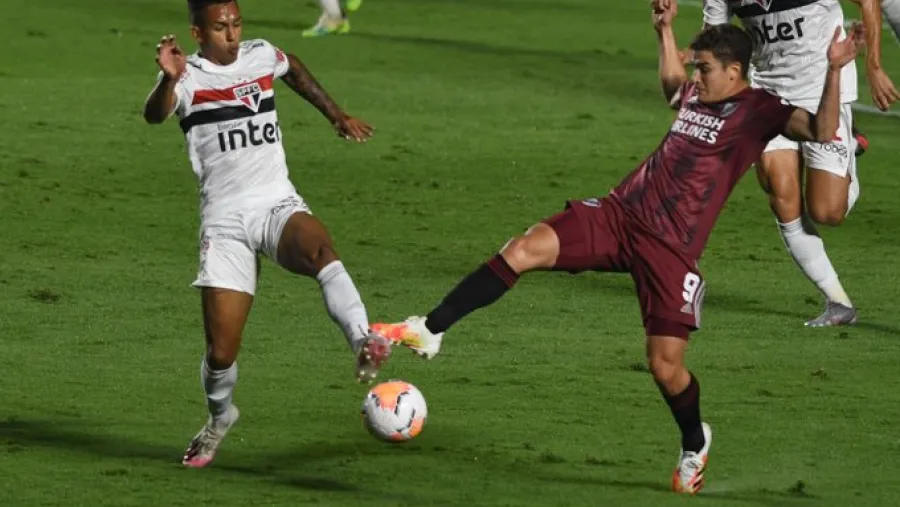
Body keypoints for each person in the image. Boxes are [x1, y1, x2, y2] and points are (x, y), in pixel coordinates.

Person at [374, 0, 861, 494]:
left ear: (735, 72)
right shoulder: (696, 93)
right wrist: (665, 31)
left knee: (664, 367)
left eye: (706, 68)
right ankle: (430, 329)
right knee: (522, 249)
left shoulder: (760, 110)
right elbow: (673, 86)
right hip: (618, 214)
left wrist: (836, 70)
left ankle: (694, 441)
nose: (697, 75)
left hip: (670, 249)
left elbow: (821, 130)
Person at [142, 0, 391, 468]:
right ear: (198, 32)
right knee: (220, 353)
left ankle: (363, 339)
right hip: (225, 220)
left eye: (236, 24)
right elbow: (155, 115)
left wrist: (335, 115)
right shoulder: (188, 77)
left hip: (275, 200)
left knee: (320, 248)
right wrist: (169, 79)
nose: (232, 35)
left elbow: (292, 67)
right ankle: (220, 418)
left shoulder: (259, 54)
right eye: (220, 27)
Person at [701, 0, 898, 327]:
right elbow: (715, 41)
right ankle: (838, 302)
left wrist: (873, 66)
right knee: (778, 188)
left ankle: (847, 143)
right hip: (768, 93)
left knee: (827, 211)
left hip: (824, 85)